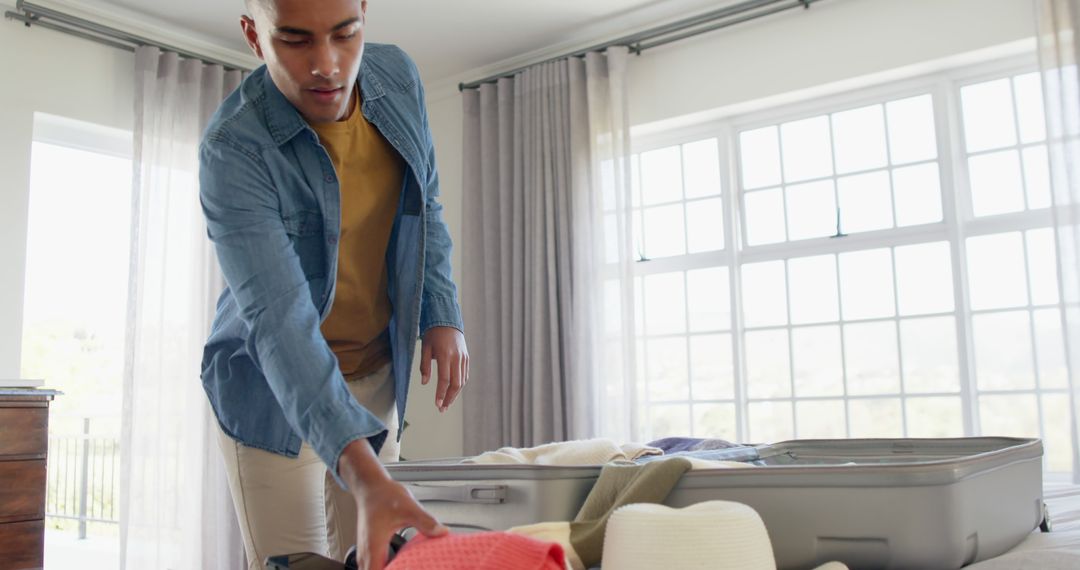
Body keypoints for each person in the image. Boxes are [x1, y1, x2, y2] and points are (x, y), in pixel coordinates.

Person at [197, 0, 469, 568]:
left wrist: (439, 313)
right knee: (297, 561)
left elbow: (427, 200)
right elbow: (281, 324)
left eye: (345, 34)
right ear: (254, 35)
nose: (328, 65)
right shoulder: (233, 148)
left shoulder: (398, 76)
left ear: (365, 13)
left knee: (381, 557)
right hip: (272, 395)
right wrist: (363, 472)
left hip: (373, 377)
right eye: (295, 40)